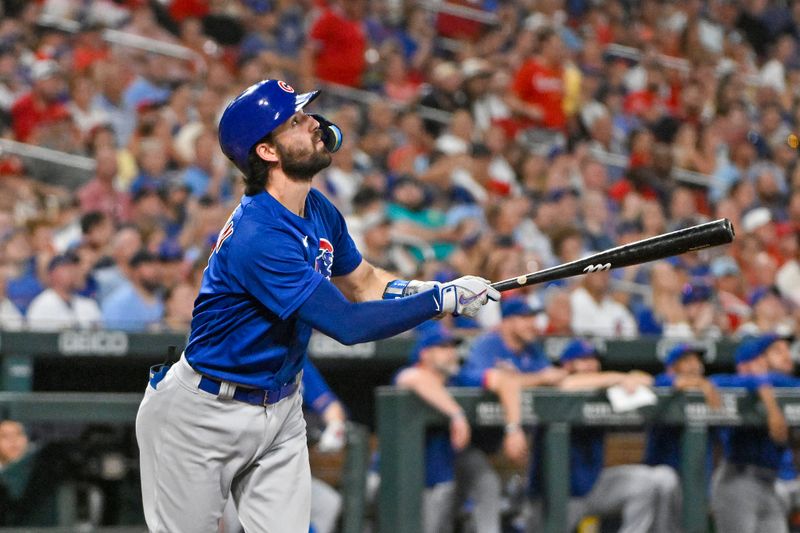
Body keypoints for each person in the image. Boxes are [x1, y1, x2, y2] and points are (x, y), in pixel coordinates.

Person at [135, 79, 499, 532]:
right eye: (295, 120)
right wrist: (440, 302)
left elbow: (365, 282)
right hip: (202, 414)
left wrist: (437, 288)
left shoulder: (317, 207)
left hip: (282, 404)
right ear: (267, 152)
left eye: (306, 114)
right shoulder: (260, 236)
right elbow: (346, 323)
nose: (313, 124)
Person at [528, 339, 678, 533]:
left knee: (651, 480)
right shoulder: (553, 383)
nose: (591, 364)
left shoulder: (604, 389)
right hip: (554, 498)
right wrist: (620, 378)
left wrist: (627, 379)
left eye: (593, 360)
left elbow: (648, 381)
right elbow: (567, 384)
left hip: (593, 486)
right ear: (567, 364)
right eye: (583, 360)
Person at [395, 324, 502, 533]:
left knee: (480, 471)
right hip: (400, 482)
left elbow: (496, 379)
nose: (451, 352)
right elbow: (411, 378)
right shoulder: (411, 375)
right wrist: (456, 414)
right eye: (443, 348)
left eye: (453, 347)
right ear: (425, 354)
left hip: (441, 479)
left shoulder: (457, 379)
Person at [710, 335, 793, 533]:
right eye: (777, 351)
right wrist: (761, 384)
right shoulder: (740, 384)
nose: (787, 356)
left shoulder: (783, 385)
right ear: (758, 361)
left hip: (770, 483)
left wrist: (764, 386)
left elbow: (783, 382)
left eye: (786, 350)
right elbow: (714, 382)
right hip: (738, 480)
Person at [26, 253, 102, 331]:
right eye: (69, 270)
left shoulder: (88, 305)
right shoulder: (42, 305)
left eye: (76, 269)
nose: (76, 273)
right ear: (53, 274)